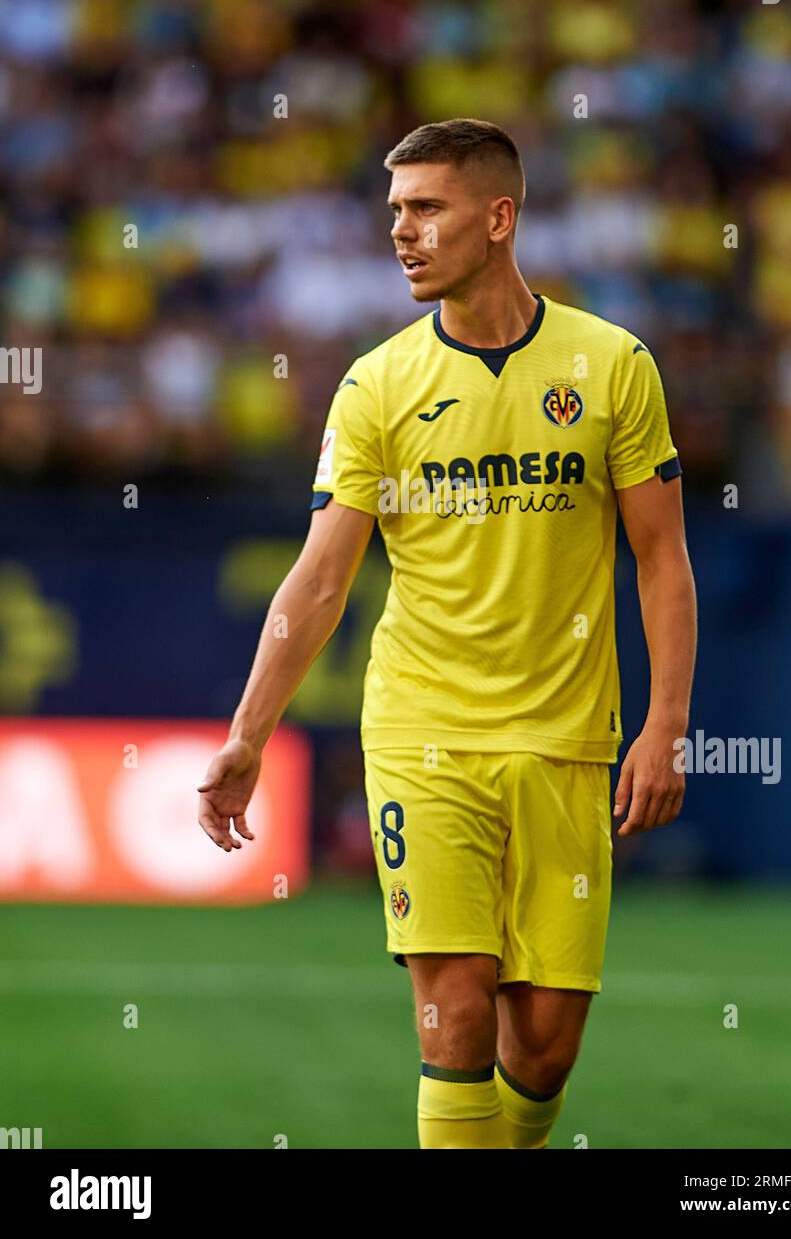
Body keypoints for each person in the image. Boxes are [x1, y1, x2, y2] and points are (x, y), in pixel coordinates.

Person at [198, 118, 698, 1149]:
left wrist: (666, 725)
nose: (403, 232)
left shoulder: (611, 367)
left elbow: (661, 556)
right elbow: (321, 575)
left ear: (498, 216)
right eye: (395, 211)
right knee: (456, 1000)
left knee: (546, 1040)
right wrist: (248, 733)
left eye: (427, 208)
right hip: (424, 734)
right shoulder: (377, 384)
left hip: (566, 737)